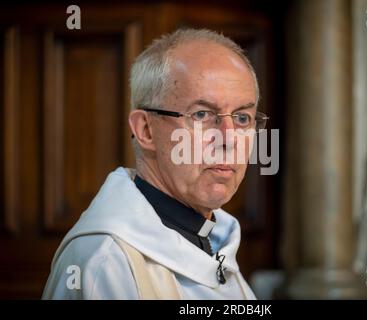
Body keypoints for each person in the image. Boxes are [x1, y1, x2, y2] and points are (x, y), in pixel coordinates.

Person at [42, 28, 268, 299]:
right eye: (202, 114)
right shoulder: (105, 263)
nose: (229, 139)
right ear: (146, 129)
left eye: (242, 118)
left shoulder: (217, 243)